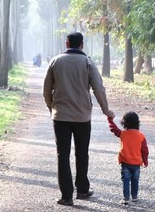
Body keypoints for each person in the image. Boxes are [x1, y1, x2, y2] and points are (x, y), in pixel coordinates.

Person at [43, 32, 115, 206]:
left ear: (67, 43)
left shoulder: (55, 61)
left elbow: (46, 90)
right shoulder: (88, 62)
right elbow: (99, 89)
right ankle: (82, 190)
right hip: (82, 117)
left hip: (60, 117)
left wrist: (51, 107)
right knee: (82, 153)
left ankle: (66, 196)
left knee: (63, 155)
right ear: (82, 44)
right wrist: (106, 111)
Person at [107, 111, 149, 205]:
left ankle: (126, 198)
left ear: (124, 122)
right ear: (137, 122)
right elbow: (145, 150)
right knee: (135, 180)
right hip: (137, 163)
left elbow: (113, 129)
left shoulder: (123, 134)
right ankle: (134, 197)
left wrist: (110, 119)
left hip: (125, 162)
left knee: (125, 180)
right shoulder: (141, 136)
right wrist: (145, 161)